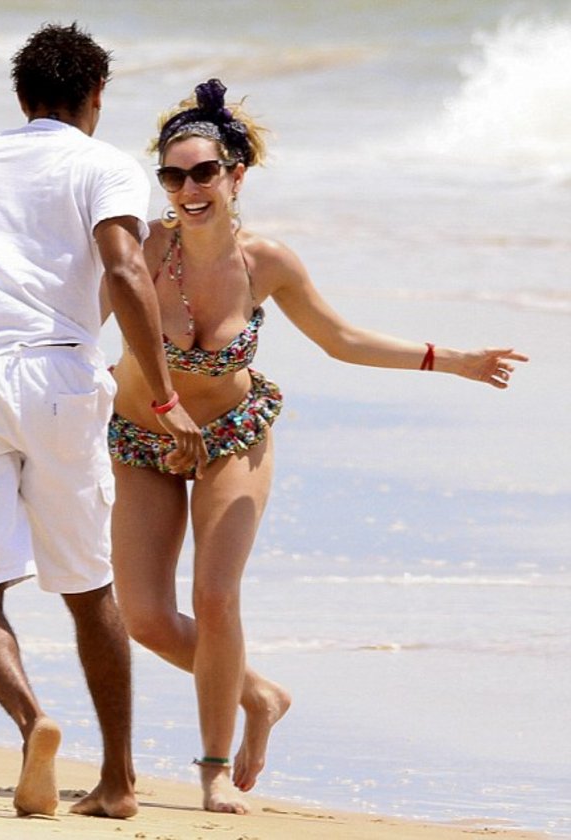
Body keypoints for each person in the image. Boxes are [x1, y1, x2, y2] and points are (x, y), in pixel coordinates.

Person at [104, 78, 528, 815]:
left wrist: (451, 359)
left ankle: (212, 768)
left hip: (232, 435)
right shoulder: (140, 247)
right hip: (142, 437)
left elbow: (341, 339)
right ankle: (259, 694)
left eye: (203, 173)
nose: (187, 189)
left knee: (215, 596)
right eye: (172, 176)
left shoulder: (265, 262)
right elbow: (68, 315)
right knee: (143, 617)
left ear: (236, 176)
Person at [0, 24, 207, 821]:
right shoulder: (103, 166)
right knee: (88, 587)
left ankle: (31, 721)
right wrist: (165, 395)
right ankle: (116, 781)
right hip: (59, 378)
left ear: (21, 97)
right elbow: (124, 268)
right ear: (96, 97)